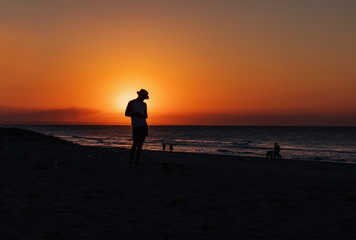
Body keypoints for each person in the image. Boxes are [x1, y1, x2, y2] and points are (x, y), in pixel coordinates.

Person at [125, 89, 149, 165]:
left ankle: (137, 161)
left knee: (140, 145)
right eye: (142, 97)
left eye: (144, 98)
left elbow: (146, 116)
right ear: (139, 96)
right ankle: (131, 160)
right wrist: (136, 114)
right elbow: (126, 113)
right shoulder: (131, 102)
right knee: (135, 144)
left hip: (143, 125)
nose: (143, 99)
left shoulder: (144, 104)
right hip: (136, 126)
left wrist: (142, 115)